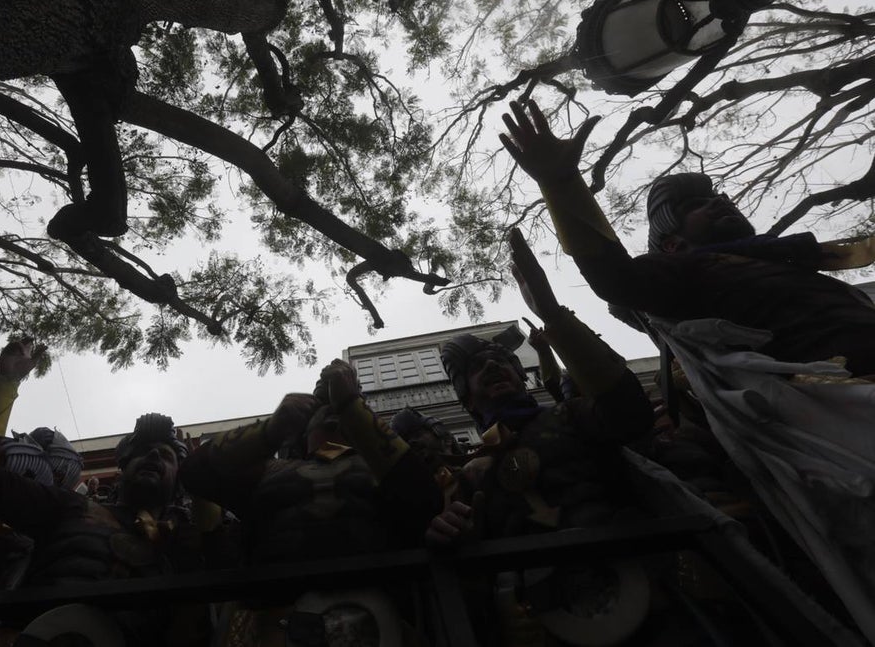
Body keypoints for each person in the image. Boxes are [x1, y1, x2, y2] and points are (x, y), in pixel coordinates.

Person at [498, 99, 875, 376]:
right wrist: (561, 183)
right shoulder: (690, 273)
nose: (717, 205)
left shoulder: (795, 265)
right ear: (672, 245)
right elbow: (617, 280)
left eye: (718, 198)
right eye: (697, 204)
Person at [0, 339, 212, 645]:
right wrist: (6, 382)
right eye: (143, 452)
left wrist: (205, 485)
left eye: (166, 456)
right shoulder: (72, 508)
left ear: (180, 480)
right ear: (122, 470)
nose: (153, 457)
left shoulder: (187, 542)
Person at [181, 359, 442, 647]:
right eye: (320, 410)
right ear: (303, 430)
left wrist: (351, 404)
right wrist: (271, 429)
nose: (329, 412)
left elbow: (426, 498)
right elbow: (194, 473)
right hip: (275, 627)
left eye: (337, 408)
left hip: (384, 625)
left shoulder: (386, 469)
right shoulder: (269, 472)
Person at [430, 229, 654, 545]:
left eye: (499, 360)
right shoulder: (468, 476)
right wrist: (446, 531)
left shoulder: (571, 415)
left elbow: (630, 413)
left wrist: (552, 313)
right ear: (466, 400)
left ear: (523, 378)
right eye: (477, 367)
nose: (492, 366)